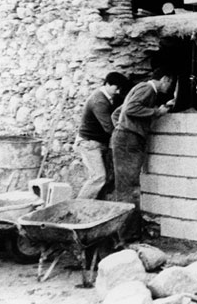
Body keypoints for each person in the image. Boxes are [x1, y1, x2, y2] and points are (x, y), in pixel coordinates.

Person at [110, 67, 175, 230]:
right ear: (165, 79)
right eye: (170, 83)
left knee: (125, 186)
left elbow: (117, 114)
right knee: (129, 188)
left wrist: (121, 128)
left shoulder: (140, 88)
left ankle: (126, 230)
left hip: (124, 139)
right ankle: (128, 234)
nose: (169, 88)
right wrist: (156, 112)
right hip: (129, 141)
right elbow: (131, 109)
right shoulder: (148, 89)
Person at [75, 72, 130, 199]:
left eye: (120, 89)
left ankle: (90, 206)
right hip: (89, 143)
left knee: (103, 178)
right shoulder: (98, 101)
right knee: (98, 177)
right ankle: (78, 206)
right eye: (116, 88)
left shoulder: (108, 98)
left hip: (98, 142)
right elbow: (108, 127)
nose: (117, 92)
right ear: (107, 84)